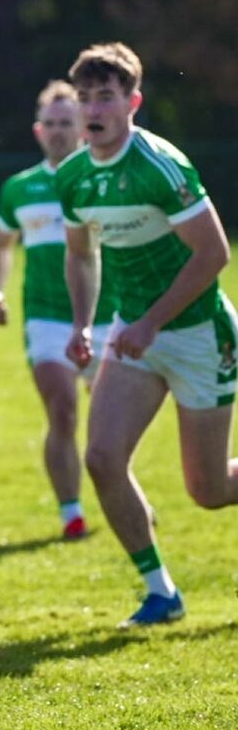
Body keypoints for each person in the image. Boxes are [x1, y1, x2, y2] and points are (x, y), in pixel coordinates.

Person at [56, 42, 238, 628]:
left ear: (132, 102)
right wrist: (83, 323)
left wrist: (151, 322)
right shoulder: (74, 177)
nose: (93, 109)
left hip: (199, 335)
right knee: (102, 458)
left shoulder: (160, 165)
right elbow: (80, 255)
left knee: (209, 489)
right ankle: (161, 592)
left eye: (106, 97)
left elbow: (214, 254)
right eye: (85, 97)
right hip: (132, 333)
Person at [0, 80, 118, 540]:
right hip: (45, 318)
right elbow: (0, 244)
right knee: (63, 409)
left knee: (110, 426)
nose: (59, 131)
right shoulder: (20, 188)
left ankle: (124, 497)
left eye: (67, 122)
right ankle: (71, 512)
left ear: (83, 127)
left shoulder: (102, 180)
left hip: (108, 316)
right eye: (51, 123)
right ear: (39, 131)